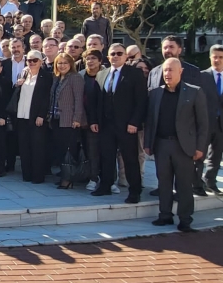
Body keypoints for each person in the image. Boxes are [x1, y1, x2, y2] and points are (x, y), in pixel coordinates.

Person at [145, 58, 208, 232]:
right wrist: (148, 143)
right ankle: (165, 215)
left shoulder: (194, 92)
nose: (168, 74)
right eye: (165, 70)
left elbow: (203, 123)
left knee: (184, 184)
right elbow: (150, 120)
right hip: (161, 145)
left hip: (184, 147)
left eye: (171, 70)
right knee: (163, 183)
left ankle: (185, 219)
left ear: (180, 72)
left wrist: (200, 147)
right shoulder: (156, 93)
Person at [94, 43, 147, 202]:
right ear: (107, 56)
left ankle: (134, 191)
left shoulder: (135, 74)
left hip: (127, 126)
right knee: (106, 157)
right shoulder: (101, 74)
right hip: (106, 125)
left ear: (125, 56)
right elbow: (98, 101)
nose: (116, 56)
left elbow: (141, 101)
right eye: (113, 54)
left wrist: (135, 122)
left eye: (119, 53)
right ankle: (105, 186)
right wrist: (96, 121)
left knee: (130, 159)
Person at [14, 50, 53, 183]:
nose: (31, 63)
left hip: (36, 116)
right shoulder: (24, 73)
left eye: (34, 60)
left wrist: (42, 115)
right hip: (21, 115)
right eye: (29, 60)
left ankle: (38, 176)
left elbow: (46, 98)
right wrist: (17, 84)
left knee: (37, 147)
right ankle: (27, 174)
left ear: (41, 62)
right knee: (24, 147)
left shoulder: (46, 76)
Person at [49, 53, 86, 189]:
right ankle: (64, 175)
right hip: (56, 119)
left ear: (71, 64)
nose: (62, 65)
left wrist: (77, 118)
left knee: (69, 150)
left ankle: (69, 179)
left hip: (69, 120)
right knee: (61, 149)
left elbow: (78, 100)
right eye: (59, 63)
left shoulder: (75, 78)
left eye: (65, 63)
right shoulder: (57, 78)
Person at [199, 45, 223, 194]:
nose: (217, 60)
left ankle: (210, 181)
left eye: (221, 57)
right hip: (205, 122)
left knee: (216, 155)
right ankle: (196, 183)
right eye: (215, 57)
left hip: (221, 124)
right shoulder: (202, 76)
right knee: (200, 155)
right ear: (210, 57)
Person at [81, 49, 104, 192]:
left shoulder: (107, 75)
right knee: (92, 150)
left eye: (93, 58)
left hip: (105, 120)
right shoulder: (81, 76)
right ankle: (93, 178)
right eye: (88, 58)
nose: (90, 61)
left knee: (108, 152)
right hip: (87, 121)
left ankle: (109, 179)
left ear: (100, 61)